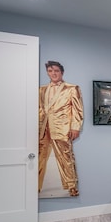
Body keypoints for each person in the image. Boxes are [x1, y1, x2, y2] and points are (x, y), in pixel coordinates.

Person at [38, 61, 84, 196]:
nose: (53, 73)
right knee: (39, 157)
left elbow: (77, 109)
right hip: (43, 128)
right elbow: (40, 109)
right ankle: (36, 186)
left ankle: (72, 186)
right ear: (47, 72)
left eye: (56, 71)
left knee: (66, 158)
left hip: (62, 128)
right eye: (50, 71)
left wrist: (75, 127)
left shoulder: (72, 88)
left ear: (62, 72)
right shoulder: (41, 90)